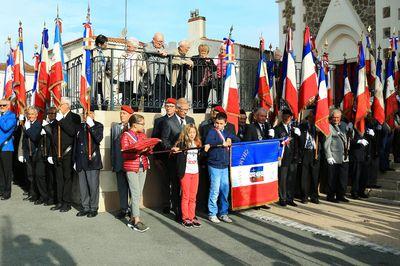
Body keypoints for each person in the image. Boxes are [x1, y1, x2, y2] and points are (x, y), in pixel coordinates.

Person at [160, 98, 195, 221]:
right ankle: (177, 211)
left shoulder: (191, 120)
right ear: (177, 109)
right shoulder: (168, 122)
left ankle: (188, 212)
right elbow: (164, 140)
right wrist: (172, 148)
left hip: (189, 161)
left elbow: (194, 137)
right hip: (175, 160)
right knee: (176, 186)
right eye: (183, 110)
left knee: (187, 189)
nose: (185, 112)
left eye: (187, 110)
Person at [204, 112, 240, 223]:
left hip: (224, 166)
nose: (218, 125)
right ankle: (212, 213)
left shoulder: (227, 132)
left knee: (225, 190)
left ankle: (223, 213)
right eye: (217, 123)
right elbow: (209, 142)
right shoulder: (212, 132)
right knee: (214, 190)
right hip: (214, 165)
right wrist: (222, 142)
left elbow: (237, 139)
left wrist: (229, 138)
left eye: (221, 123)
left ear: (225, 123)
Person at [120, 114, 152, 232]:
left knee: (138, 194)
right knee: (135, 192)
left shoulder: (142, 135)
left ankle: (133, 217)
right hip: (131, 167)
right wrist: (138, 152)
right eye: (142, 124)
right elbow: (124, 153)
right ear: (135, 124)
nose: (144, 126)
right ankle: (136, 220)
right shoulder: (126, 136)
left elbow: (149, 151)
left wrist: (148, 148)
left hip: (142, 166)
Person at [172, 124, 207, 227]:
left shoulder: (197, 143)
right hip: (186, 172)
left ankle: (192, 216)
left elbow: (200, 158)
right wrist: (176, 150)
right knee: (186, 195)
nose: (192, 134)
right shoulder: (182, 143)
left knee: (193, 196)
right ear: (186, 133)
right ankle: (185, 217)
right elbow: (177, 157)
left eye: (194, 132)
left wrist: (205, 150)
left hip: (195, 172)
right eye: (190, 132)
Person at [51, 97, 81, 212]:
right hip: (57, 152)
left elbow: (72, 132)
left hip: (68, 152)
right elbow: (53, 135)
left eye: (61, 104)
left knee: (67, 178)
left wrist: (62, 121)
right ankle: (59, 201)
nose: (59, 107)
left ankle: (66, 203)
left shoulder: (75, 117)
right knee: (58, 178)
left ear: (67, 105)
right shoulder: (57, 118)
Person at [75, 110, 104, 218]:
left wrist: (91, 125)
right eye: (85, 113)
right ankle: (85, 207)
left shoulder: (98, 125)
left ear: (93, 115)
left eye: (90, 113)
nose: (87, 115)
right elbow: (76, 144)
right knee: (83, 187)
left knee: (93, 186)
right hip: (81, 161)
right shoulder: (79, 126)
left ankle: (93, 208)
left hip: (92, 161)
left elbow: (98, 138)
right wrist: (75, 160)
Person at [151, 97, 176, 214]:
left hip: (176, 157)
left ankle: (175, 204)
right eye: (167, 106)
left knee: (176, 182)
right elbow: (155, 140)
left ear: (175, 108)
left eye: (171, 106)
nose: (169, 108)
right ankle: (166, 204)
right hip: (163, 157)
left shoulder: (179, 120)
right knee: (165, 182)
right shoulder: (159, 121)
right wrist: (156, 157)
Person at [273, 109, 301, 207]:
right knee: (283, 179)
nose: (286, 118)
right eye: (285, 116)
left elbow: (299, 143)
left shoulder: (294, 128)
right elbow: (275, 142)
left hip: (293, 157)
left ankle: (290, 198)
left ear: (291, 117)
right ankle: (283, 198)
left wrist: (299, 135)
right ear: (282, 117)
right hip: (283, 157)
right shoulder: (277, 128)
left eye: (288, 116)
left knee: (291, 179)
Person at [323, 109, 352, 203]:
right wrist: (328, 156)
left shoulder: (343, 125)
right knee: (333, 178)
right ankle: (330, 195)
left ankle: (341, 195)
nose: (336, 119)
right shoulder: (329, 126)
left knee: (342, 178)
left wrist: (350, 129)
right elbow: (327, 142)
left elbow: (350, 137)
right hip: (334, 156)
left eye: (338, 117)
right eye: (334, 117)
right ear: (331, 118)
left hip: (344, 155)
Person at [111, 105, 134, 219]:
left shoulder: (134, 128)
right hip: (119, 163)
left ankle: (132, 209)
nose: (121, 115)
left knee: (132, 188)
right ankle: (123, 209)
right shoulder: (115, 127)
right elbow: (113, 147)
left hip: (130, 163)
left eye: (124, 113)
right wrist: (113, 163)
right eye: (121, 113)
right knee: (122, 188)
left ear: (130, 115)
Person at [20, 107, 46, 204]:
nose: (30, 116)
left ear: (36, 115)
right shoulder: (27, 124)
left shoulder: (38, 124)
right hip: (28, 154)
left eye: (32, 114)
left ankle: (41, 196)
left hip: (36, 154)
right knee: (30, 176)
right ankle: (33, 195)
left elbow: (34, 137)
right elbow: (24, 140)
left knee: (38, 176)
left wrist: (27, 128)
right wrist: (22, 153)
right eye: (29, 114)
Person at [298, 109, 321, 204]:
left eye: (314, 117)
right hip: (305, 152)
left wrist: (320, 132)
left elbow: (324, 140)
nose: (312, 119)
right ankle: (304, 196)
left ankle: (314, 195)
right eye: (310, 117)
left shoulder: (319, 127)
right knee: (304, 175)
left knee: (315, 176)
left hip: (315, 152)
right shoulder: (302, 126)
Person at [117, 37, 147, 108]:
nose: (127, 47)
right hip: (125, 80)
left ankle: (134, 116)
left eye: (129, 46)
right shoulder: (123, 55)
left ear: (135, 47)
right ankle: (124, 113)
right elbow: (118, 66)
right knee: (125, 100)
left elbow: (145, 69)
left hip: (135, 80)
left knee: (135, 99)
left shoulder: (139, 55)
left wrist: (142, 68)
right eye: (127, 46)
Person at [144, 32, 170, 111]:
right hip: (153, 75)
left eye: (162, 41)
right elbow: (147, 49)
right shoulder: (148, 45)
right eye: (158, 41)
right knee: (152, 93)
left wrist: (166, 52)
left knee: (162, 94)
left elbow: (172, 51)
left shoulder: (165, 46)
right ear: (153, 40)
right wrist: (159, 52)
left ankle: (157, 109)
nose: (160, 43)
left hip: (163, 75)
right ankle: (150, 109)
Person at [191, 44, 217, 112]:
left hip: (207, 84)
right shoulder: (194, 58)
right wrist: (203, 59)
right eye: (201, 51)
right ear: (199, 51)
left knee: (204, 101)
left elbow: (214, 68)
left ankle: (203, 112)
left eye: (204, 52)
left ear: (207, 52)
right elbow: (195, 65)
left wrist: (208, 62)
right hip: (197, 83)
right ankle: (196, 113)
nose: (203, 53)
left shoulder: (210, 60)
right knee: (197, 101)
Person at [0, 99, 17, 200]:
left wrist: (0, 118)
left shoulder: (11, 116)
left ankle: (7, 192)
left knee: (7, 171)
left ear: (8, 106)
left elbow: (6, 127)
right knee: (0, 171)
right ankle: (1, 190)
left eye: (4, 105)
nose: (1, 107)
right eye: (0, 105)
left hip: (6, 147)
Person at [42, 107, 58, 205]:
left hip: (54, 154)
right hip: (46, 153)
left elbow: (53, 136)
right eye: (49, 113)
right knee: (49, 178)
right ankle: (50, 197)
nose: (51, 115)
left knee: (54, 178)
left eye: (53, 113)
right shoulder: (48, 124)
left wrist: (47, 127)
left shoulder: (56, 124)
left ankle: (54, 199)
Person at [349, 126, 370, 199]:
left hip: (365, 155)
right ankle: (354, 192)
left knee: (364, 175)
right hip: (356, 155)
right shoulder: (353, 128)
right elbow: (348, 140)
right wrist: (358, 141)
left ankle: (361, 191)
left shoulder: (367, 128)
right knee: (356, 175)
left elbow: (371, 141)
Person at [93, 34, 110, 110]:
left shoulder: (105, 53)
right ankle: (94, 109)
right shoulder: (93, 52)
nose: (107, 44)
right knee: (94, 94)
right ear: (99, 44)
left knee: (104, 94)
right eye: (105, 43)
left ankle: (104, 108)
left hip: (103, 76)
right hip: (95, 77)